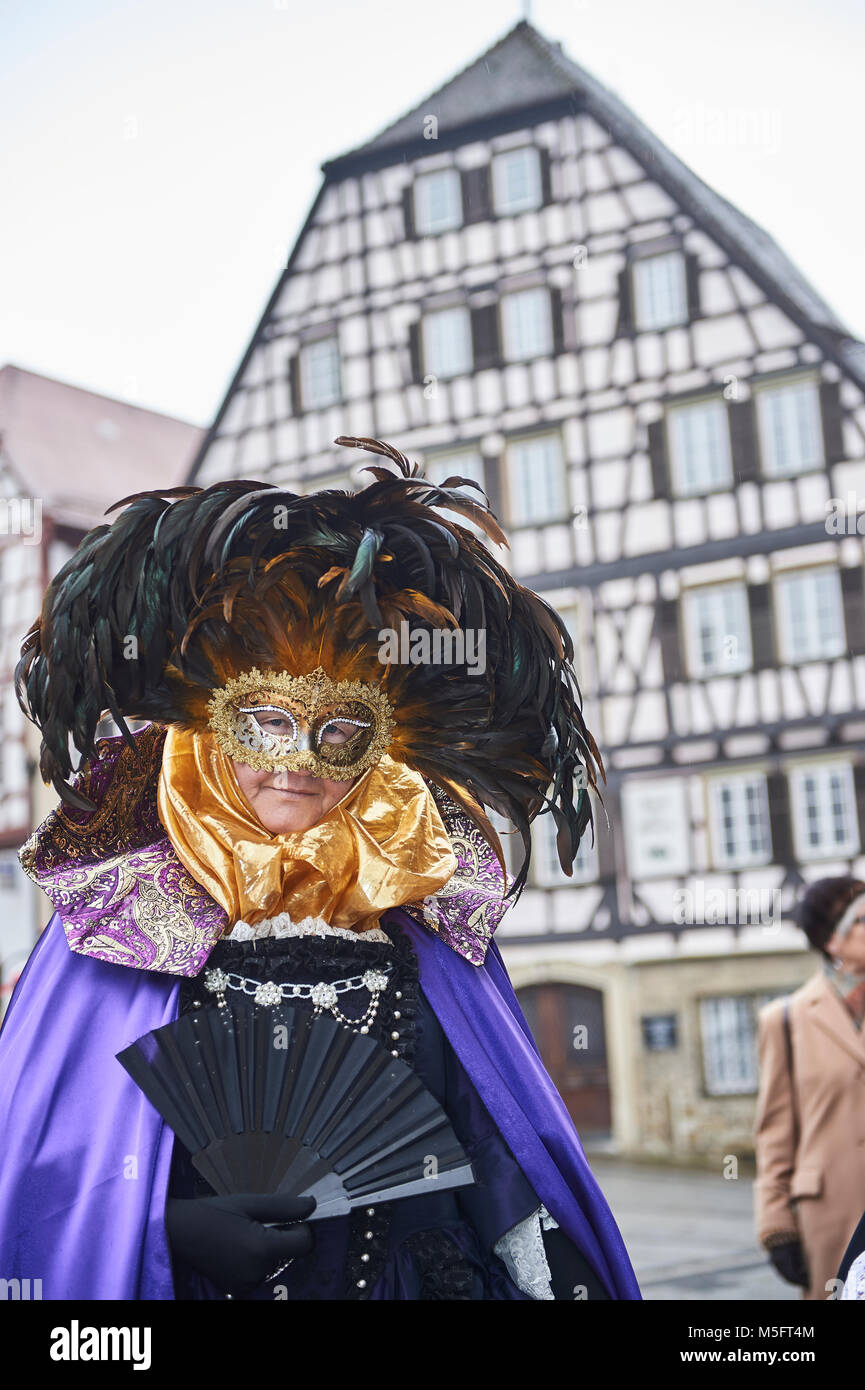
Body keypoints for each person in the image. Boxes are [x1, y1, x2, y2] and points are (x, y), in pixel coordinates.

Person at [0, 435, 640, 1301]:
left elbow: (498, 1147)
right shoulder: (116, 927)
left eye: (339, 729)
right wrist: (164, 1227)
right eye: (263, 722)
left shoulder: (424, 916)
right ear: (207, 731)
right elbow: (46, 1167)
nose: (298, 760)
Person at [754, 875, 865, 1301]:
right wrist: (776, 1226)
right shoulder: (785, 1020)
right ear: (831, 941)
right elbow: (775, 1135)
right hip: (829, 1220)